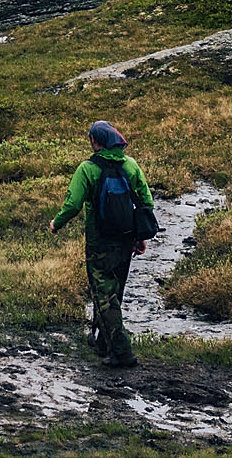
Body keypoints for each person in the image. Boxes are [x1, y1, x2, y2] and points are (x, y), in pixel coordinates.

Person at [48, 120, 154, 368]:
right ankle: (102, 342)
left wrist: (56, 223)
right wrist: (140, 237)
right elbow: (145, 201)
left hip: (99, 242)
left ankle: (121, 352)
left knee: (103, 294)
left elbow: (73, 204)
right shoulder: (131, 165)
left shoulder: (87, 168)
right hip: (126, 239)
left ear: (95, 142)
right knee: (114, 292)